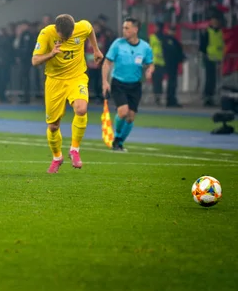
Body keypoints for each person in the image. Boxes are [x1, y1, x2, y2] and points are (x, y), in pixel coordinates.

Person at [32, 14, 103, 173]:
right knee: (53, 126)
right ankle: (57, 157)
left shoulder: (81, 27)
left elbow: (90, 28)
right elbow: (35, 60)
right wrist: (51, 54)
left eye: (69, 35)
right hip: (54, 81)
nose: (67, 38)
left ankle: (74, 150)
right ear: (56, 30)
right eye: (64, 37)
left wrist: (96, 50)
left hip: (76, 77)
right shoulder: (46, 33)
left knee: (81, 109)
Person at [102, 18, 154, 152]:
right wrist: (105, 81)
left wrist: (149, 70)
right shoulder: (117, 44)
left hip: (135, 85)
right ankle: (117, 135)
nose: (124, 30)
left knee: (130, 117)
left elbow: (150, 63)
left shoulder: (145, 47)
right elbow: (107, 63)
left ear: (135, 30)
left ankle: (118, 141)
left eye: (127, 28)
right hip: (119, 83)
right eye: (123, 27)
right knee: (123, 112)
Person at [200, 15, 225, 107]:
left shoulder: (221, 32)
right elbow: (202, 46)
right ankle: (208, 97)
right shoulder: (207, 32)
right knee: (209, 79)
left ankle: (216, 97)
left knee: (218, 80)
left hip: (219, 59)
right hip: (209, 58)